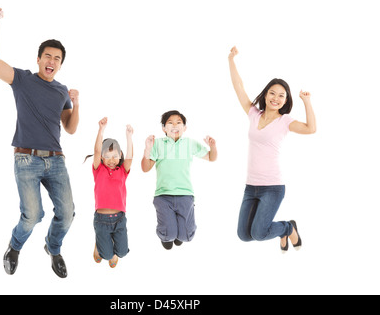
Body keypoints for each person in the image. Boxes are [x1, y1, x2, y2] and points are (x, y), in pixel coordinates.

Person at [0, 6, 79, 277]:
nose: (52, 60)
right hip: (26, 158)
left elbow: (70, 128)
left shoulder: (62, 91)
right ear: (39, 59)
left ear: (60, 64)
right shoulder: (23, 79)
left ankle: (53, 247)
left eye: (57, 58)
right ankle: (14, 246)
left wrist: (78, 103)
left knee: (68, 213)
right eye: (47, 55)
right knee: (33, 215)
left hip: (56, 161)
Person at [228, 46, 316, 253]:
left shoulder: (285, 121)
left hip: (273, 188)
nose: (276, 98)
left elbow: (311, 129)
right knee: (244, 235)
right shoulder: (253, 114)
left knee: (259, 233)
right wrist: (231, 59)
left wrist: (307, 102)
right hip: (251, 187)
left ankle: (288, 227)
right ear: (266, 95)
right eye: (272, 93)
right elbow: (238, 86)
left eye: (281, 96)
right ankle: (284, 230)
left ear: (286, 101)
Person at [141, 110, 217, 250]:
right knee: (169, 234)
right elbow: (145, 168)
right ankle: (167, 236)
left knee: (186, 236)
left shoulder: (190, 143)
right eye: (170, 123)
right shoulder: (157, 144)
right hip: (163, 196)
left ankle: (178, 234)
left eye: (178, 122)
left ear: (184, 128)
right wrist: (147, 150)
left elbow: (212, 158)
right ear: (164, 128)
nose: (174, 125)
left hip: (185, 194)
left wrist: (213, 146)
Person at [84, 117, 133, 268]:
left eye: (115, 156)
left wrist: (129, 137)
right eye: (107, 156)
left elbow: (130, 157)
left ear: (120, 156)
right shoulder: (98, 170)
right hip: (101, 220)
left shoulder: (122, 171)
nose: (111, 160)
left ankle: (106, 242)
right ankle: (100, 246)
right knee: (106, 256)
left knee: (122, 253)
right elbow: (97, 150)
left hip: (119, 219)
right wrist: (101, 130)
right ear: (102, 158)